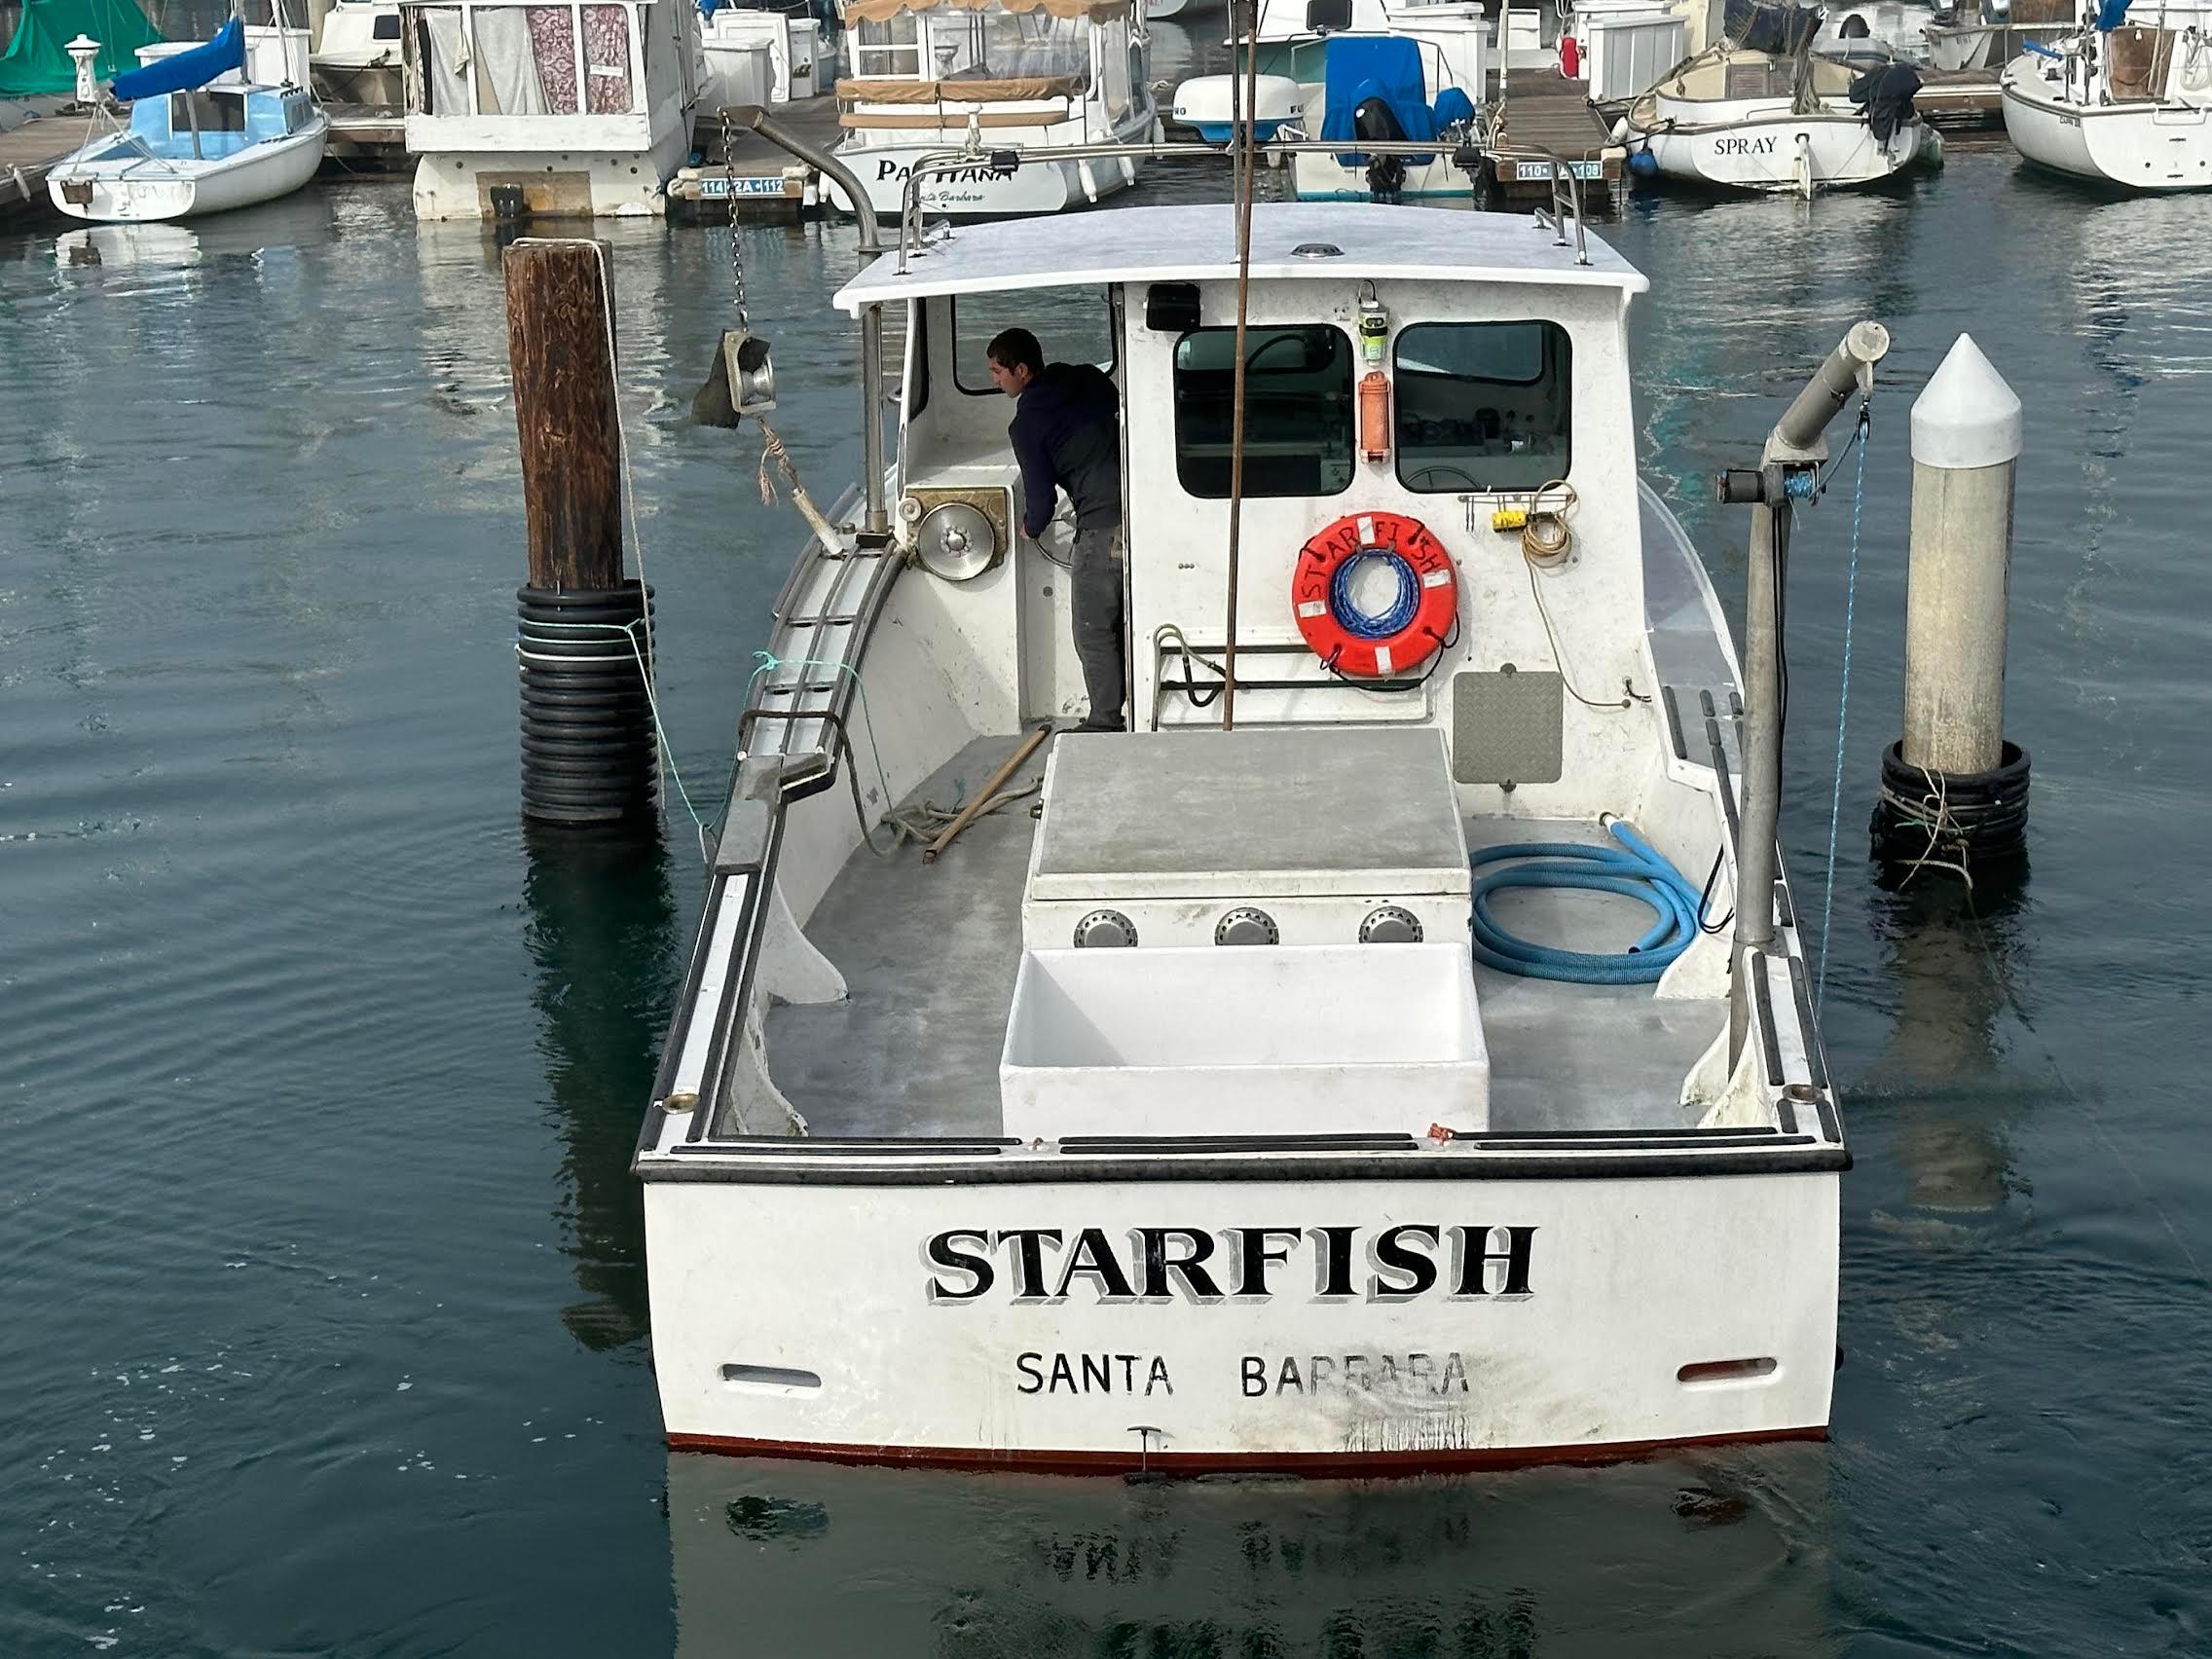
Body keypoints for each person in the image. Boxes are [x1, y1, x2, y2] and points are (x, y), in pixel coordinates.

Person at [986, 326, 1126, 733]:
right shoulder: (1083, 376)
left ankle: (1104, 720)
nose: (994, 380)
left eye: (998, 371)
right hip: (1139, 504)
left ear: (1022, 370)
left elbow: (1042, 501)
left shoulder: (1026, 424)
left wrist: (1029, 529)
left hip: (1102, 525)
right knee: (1125, 618)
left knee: (1093, 628)